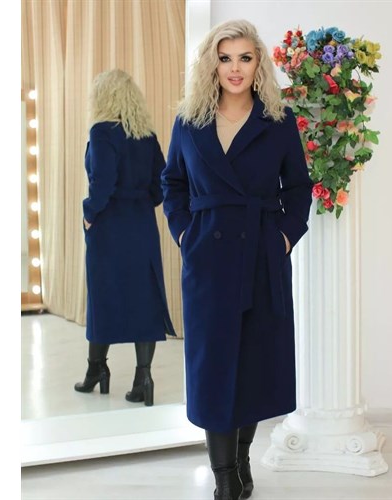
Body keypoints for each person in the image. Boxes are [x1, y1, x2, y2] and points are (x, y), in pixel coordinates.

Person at [161, 20, 313, 500]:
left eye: (244, 58)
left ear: (258, 63)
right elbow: (172, 183)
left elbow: (299, 187)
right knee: (213, 368)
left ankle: (243, 460)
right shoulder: (189, 121)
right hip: (208, 258)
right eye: (225, 58)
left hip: (262, 256)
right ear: (211, 63)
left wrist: (283, 238)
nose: (234, 68)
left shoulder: (279, 121)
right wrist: (185, 233)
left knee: (252, 365)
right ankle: (224, 477)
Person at [75, 68, 176, 406]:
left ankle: (96, 369)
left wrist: (89, 213)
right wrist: (142, 203)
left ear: (103, 97)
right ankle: (143, 378)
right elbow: (162, 182)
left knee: (103, 296)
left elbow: (102, 183)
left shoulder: (102, 131)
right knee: (144, 297)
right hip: (141, 225)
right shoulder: (146, 135)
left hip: (109, 226)